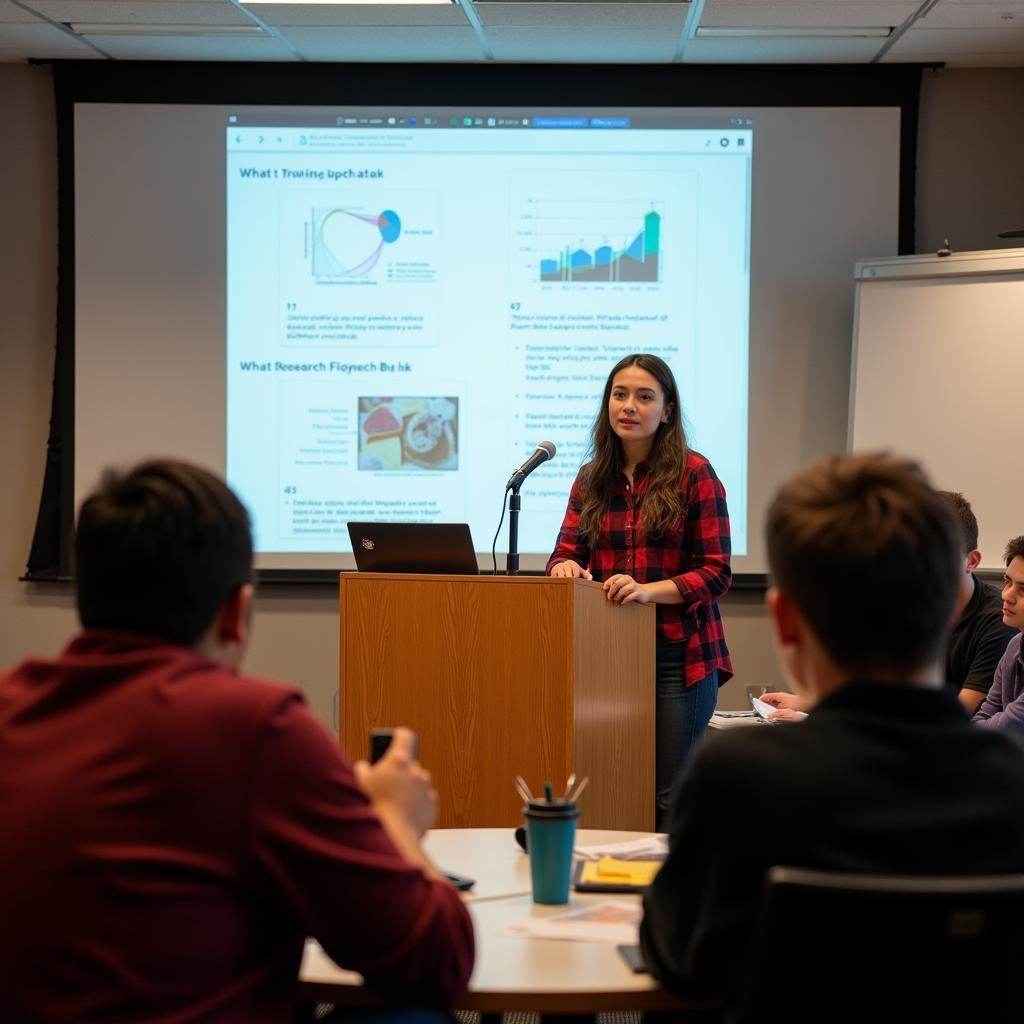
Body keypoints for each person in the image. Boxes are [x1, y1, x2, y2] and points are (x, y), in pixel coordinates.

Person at [0, 460, 473, 1024]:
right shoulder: (257, 726)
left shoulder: (11, 705)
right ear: (237, 612)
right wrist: (394, 819)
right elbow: (435, 962)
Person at [639, 453, 1024, 1009]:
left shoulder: (736, 777)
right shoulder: (1013, 784)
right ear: (946, 605)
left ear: (786, 623)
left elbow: (673, 958)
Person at [546, 353, 732, 830]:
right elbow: (564, 553)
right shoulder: (591, 478)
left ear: (667, 411)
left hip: (679, 657)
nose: (628, 406)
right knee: (612, 787)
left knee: (668, 798)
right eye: (619, 394)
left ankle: (670, 901)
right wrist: (565, 567)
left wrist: (648, 591)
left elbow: (716, 573)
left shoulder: (696, 473)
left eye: (644, 397)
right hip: (605, 658)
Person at [761, 488, 1015, 719]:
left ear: (972, 561)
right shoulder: (903, 605)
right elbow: (878, 696)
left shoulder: (996, 618)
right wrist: (810, 703)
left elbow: (952, 716)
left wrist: (816, 719)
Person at [972, 536, 1024, 730]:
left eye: (1023, 589)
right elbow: (984, 714)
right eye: (1007, 581)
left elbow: (1008, 727)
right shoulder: (1015, 646)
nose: (1006, 595)